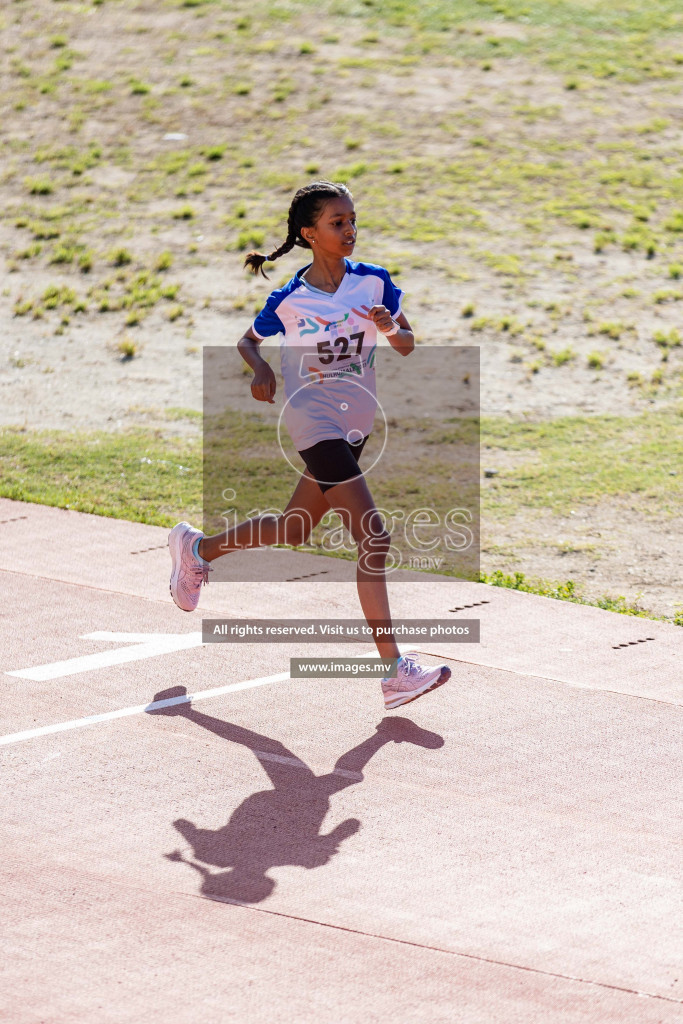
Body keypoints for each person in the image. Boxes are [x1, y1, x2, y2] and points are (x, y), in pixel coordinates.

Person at [168, 180, 450, 710]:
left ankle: (196, 548)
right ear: (309, 233)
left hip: (356, 423)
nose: (349, 231)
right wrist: (260, 368)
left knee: (294, 527)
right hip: (312, 418)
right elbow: (248, 340)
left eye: (352, 221)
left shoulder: (374, 282)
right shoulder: (290, 299)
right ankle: (393, 672)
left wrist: (391, 328)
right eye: (337, 223)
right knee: (375, 538)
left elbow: (408, 346)